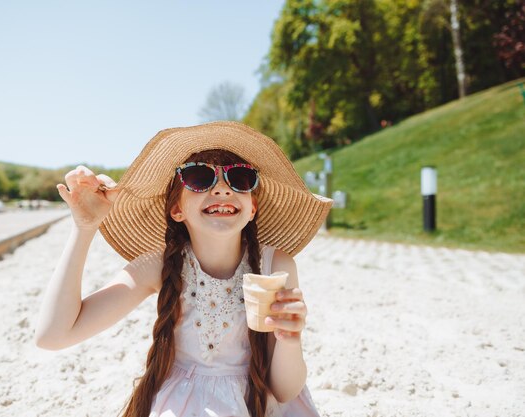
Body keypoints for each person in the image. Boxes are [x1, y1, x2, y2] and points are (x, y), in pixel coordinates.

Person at [35, 121, 333, 416]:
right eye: (199, 177)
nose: (222, 189)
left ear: (252, 206)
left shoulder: (276, 266)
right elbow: (54, 335)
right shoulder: (159, 266)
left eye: (240, 179)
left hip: (257, 403)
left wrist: (290, 339)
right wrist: (85, 228)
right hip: (186, 405)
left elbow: (284, 391)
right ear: (176, 209)